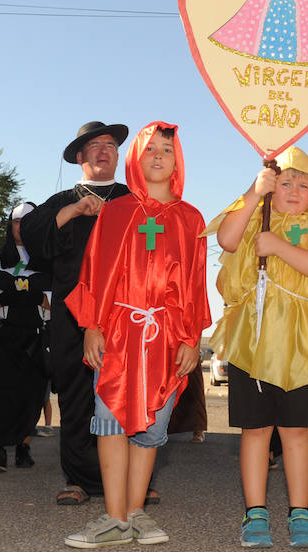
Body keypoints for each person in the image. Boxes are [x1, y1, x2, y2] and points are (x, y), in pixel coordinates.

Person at [63, 121, 209, 548]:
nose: (159, 155)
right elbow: (96, 272)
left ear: (178, 160)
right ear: (136, 159)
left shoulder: (190, 218)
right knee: (110, 423)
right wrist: (91, 325)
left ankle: (135, 511)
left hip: (165, 335)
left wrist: (191, 339)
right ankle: (112, 518)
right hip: (119, 333)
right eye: (151, 149)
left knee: (150, 428)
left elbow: (194, 282)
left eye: (168, 149)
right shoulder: (117, 212)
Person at [207, 146, 308, 549]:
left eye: (304, 184)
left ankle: (300, 513)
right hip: (253, 341)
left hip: (299, 344)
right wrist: (251, 195)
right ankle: (255, 514)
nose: (296, 189)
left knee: (297, 431)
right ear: (270, 186)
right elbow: (227, 240)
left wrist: (279, 247)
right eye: (285, 182)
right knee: (255, 431)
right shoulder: (253, 220)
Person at [21, 121, 130, 506]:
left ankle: (132, 480)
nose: (104, 150)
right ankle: (79, 479)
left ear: (118, 156)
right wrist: (73, 210)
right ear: (80, 157)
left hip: (127, 314)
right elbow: (31, 236)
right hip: (72, 316)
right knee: (76, 395)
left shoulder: (135, 201)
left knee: (128, 396)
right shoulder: (61, 201)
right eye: (94, 146)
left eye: (111, 145)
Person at [0, 202, 51, 473]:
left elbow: (61, 296)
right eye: (17, 221)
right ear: (10, 225)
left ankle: (23, 446)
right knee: (1, 393)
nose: (21, 227)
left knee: (30, 395)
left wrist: (41, 298)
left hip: (35, 338)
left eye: (27, 222)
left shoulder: (48, 260)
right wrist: (1, 298)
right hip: (4, 338)